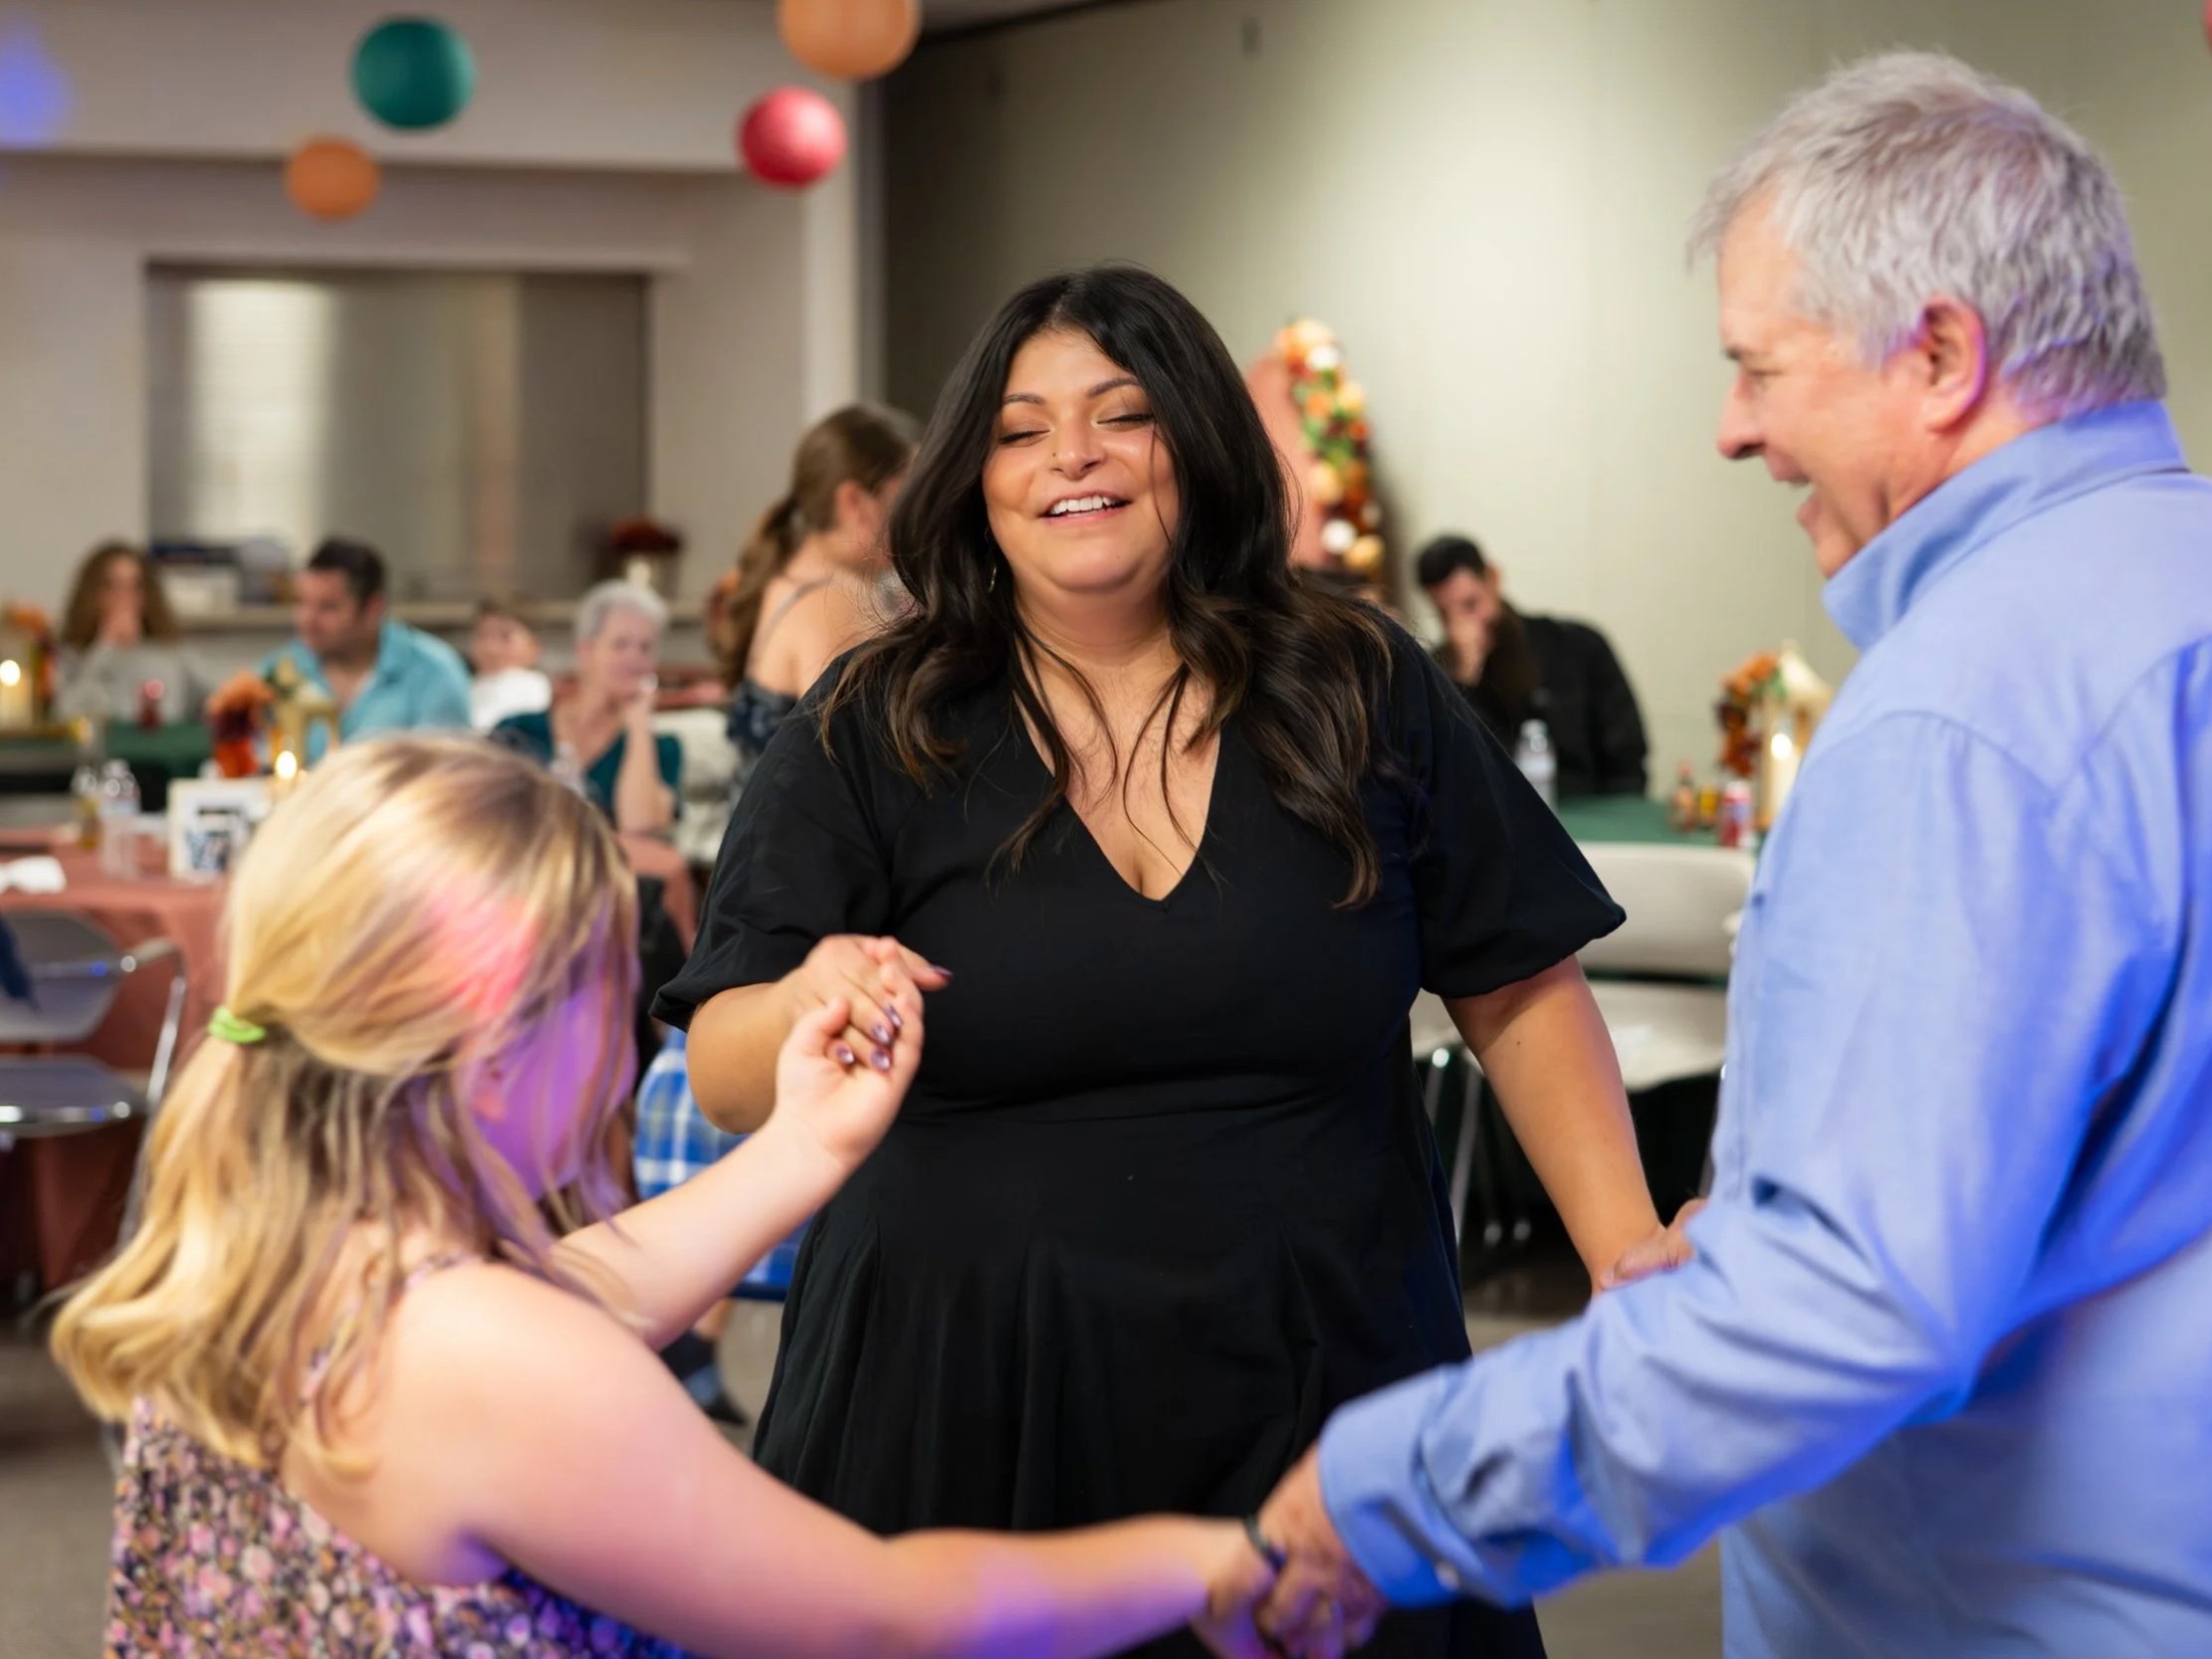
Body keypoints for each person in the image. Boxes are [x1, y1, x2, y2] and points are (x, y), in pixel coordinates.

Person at [1248, 52, 2212, 1659]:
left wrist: (1388, 1488)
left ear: (1941, 355)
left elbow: (1856, 1307)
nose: (1729, 430)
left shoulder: (1958, 715)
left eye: (1758, 368)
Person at [658, 265, 1671, 1659]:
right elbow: (721, 1066)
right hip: (960, 1401)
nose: (1068, 456)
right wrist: (799, 997)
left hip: (1326, 1378)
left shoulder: (1353, 683)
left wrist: (1623, 1250)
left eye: (1118, 414)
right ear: (972, 478)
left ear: (1193, 444)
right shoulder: (879, 720)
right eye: (1018, 430)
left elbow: (1516, 979)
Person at [48, 734, 1283, 1658]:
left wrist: (806, 1141)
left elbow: (581, 1287)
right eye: (611, 983)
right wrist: (1218, 1554)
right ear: (497, 1048)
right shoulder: (490, 1357)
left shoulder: (258, 1257)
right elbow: (880, 1614)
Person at [720, 403, 920, 789]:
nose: (921, 511)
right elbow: (871, 770)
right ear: (854, 502)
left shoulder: (793, 581)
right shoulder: (834, 602)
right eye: (909, 491)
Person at [1414, 535, 1648, 798]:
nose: (1462, 628)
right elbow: (1456, 777)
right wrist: (1464, 681)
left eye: (1471, 604)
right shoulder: (1438, 675)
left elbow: (1627, 762)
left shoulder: (1576, 646)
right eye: (1447, 615)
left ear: (1492, 578)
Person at [493, 581, 682, 836]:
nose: (635, 659)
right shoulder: (518, 732)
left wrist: (639, 723)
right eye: (621, 644)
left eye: (645, 648)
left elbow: (640, 827)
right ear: (585, 650)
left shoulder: (661, 749)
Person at [262, 537, 470, 759]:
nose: (307, 620)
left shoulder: (433, 672)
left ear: (373, 608)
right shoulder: (279, 670)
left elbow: (446, 776)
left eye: (328, 607)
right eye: (302, 603)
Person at [53, 540, 214, 725]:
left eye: (134, 587)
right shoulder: (72, 656)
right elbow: (67, 714)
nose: (124, 598)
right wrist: (106, 647)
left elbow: (217, 698)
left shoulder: (171, 653)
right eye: (112, 587)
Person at [468, 594, 553, 730]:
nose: (490, 648)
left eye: (505, 637)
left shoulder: (535, 691)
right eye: (482, 635)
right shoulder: (468, 687)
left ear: (535, 646)